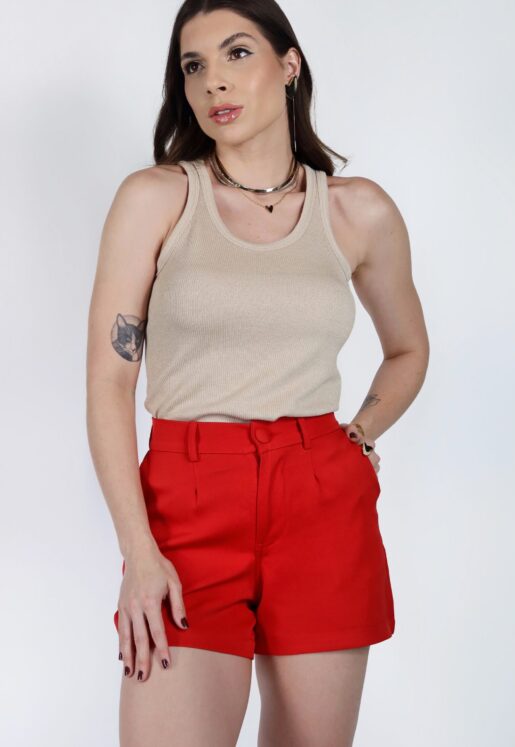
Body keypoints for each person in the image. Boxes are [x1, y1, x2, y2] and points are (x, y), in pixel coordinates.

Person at [86, 1, 429, 744]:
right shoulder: (157, 198)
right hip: (188, 501)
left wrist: (358, 435)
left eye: (237, 52)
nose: (214, 80)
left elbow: (408, 349)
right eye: (194, 65)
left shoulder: (357, 212)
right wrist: (139, 553)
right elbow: (110, 382)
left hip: (321, 501)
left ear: (289, 65)